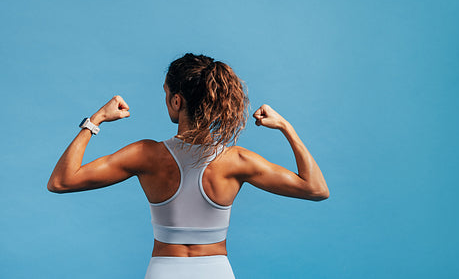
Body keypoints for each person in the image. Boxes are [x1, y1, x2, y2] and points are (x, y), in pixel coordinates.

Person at [47, 53, 329, 278]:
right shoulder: (237, 160)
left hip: (164, 272)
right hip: (216, 272)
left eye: (166, 93)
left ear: (177, 100)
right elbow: (315, 188)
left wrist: (95, 120)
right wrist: (285, 127)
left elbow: (61, 181)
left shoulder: (146, 155)